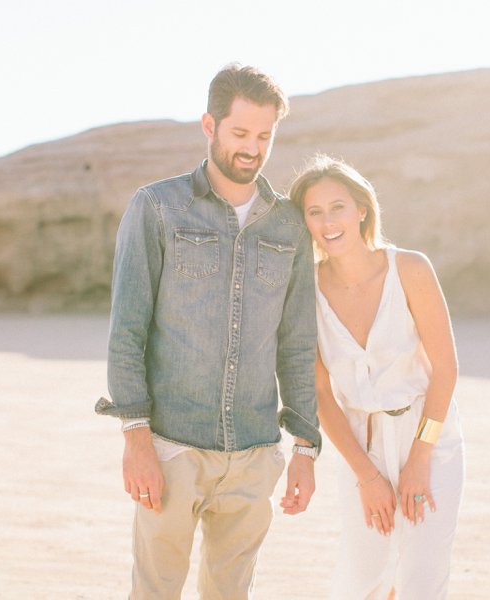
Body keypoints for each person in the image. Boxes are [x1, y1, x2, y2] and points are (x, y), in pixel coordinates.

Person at [95, 63, 321, 600]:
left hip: (253, 451)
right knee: (154, 592)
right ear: (209, 125)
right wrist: (136, 438)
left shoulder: (288, 224)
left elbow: (296, 343)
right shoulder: (156, 207)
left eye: (264, 136)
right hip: (172, 447)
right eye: (240, 133)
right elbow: (127, 328)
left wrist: (306, 448)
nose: (252, 148)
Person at [289, 155, 464, 599]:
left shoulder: (410, 268)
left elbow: (445, 368)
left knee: (420, 579)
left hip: (429, 437)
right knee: (362, 577)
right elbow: (320, 391)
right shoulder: (303, 290)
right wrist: (367, 476)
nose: (328, 221)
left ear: (361, 209)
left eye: (338, 207)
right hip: (359, 445)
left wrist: (420, 458)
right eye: (315, 212)